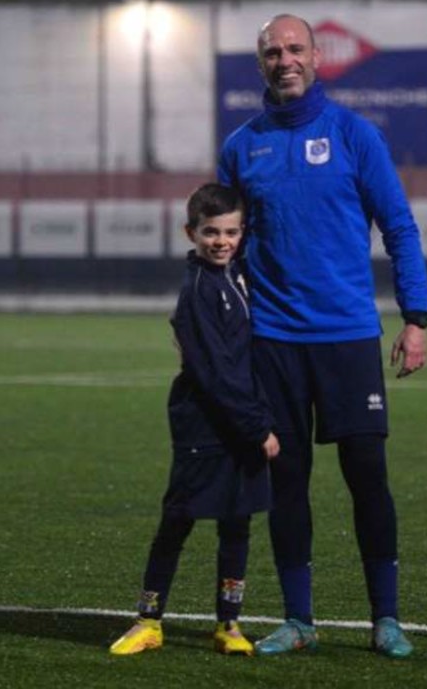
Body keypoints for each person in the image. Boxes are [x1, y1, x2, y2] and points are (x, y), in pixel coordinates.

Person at [217, 14, 427, 658]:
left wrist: (415, 318)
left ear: (317, 57)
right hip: (274, 342)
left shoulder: (354, 135)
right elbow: (226, 246)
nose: (285, 59)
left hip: (347, 338)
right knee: (287, 480)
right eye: (272, 52)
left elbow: (399, 227)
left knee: (367, 475)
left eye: (294, 48)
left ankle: (385, 618)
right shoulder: (240, 146)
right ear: (261, 64)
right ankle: (299, 620)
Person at [109, 183, 280, 657]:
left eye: (230, 232)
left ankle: (228, 623)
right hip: (205, 426)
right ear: (191, 232)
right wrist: (258, 426)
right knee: (178, 519)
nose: (221, 241)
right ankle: (148, 620)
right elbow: (216, 373)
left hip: (241, 422)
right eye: (210, 232)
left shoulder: (235, 276)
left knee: (237, 522)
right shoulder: (201, 289)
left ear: (243, 233)